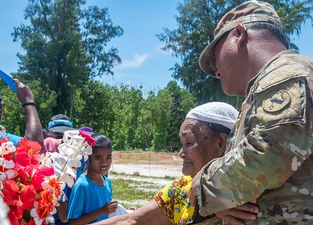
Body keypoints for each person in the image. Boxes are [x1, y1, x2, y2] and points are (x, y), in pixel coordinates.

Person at [189, 1, 313, 224]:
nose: (216, 72)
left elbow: (269, 153)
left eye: (215, 55)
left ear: (239, 34)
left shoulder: (288, 75)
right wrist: (224, 199)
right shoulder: (269, 85)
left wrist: (204, 186)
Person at [91, 102, 254, 225]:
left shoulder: (249, 192)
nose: (181, 153)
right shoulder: (182, 189)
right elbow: (131, 220)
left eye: (189, 143)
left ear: (220, 143)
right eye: (182, 143)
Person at [67, 133, 119, 224]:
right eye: (98, 158)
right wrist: (101, 211)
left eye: (108, 157)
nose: (104, 163)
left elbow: (108, 214)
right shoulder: (82, 185)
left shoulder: (106, 182)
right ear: (87, 158)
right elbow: (73, 222)